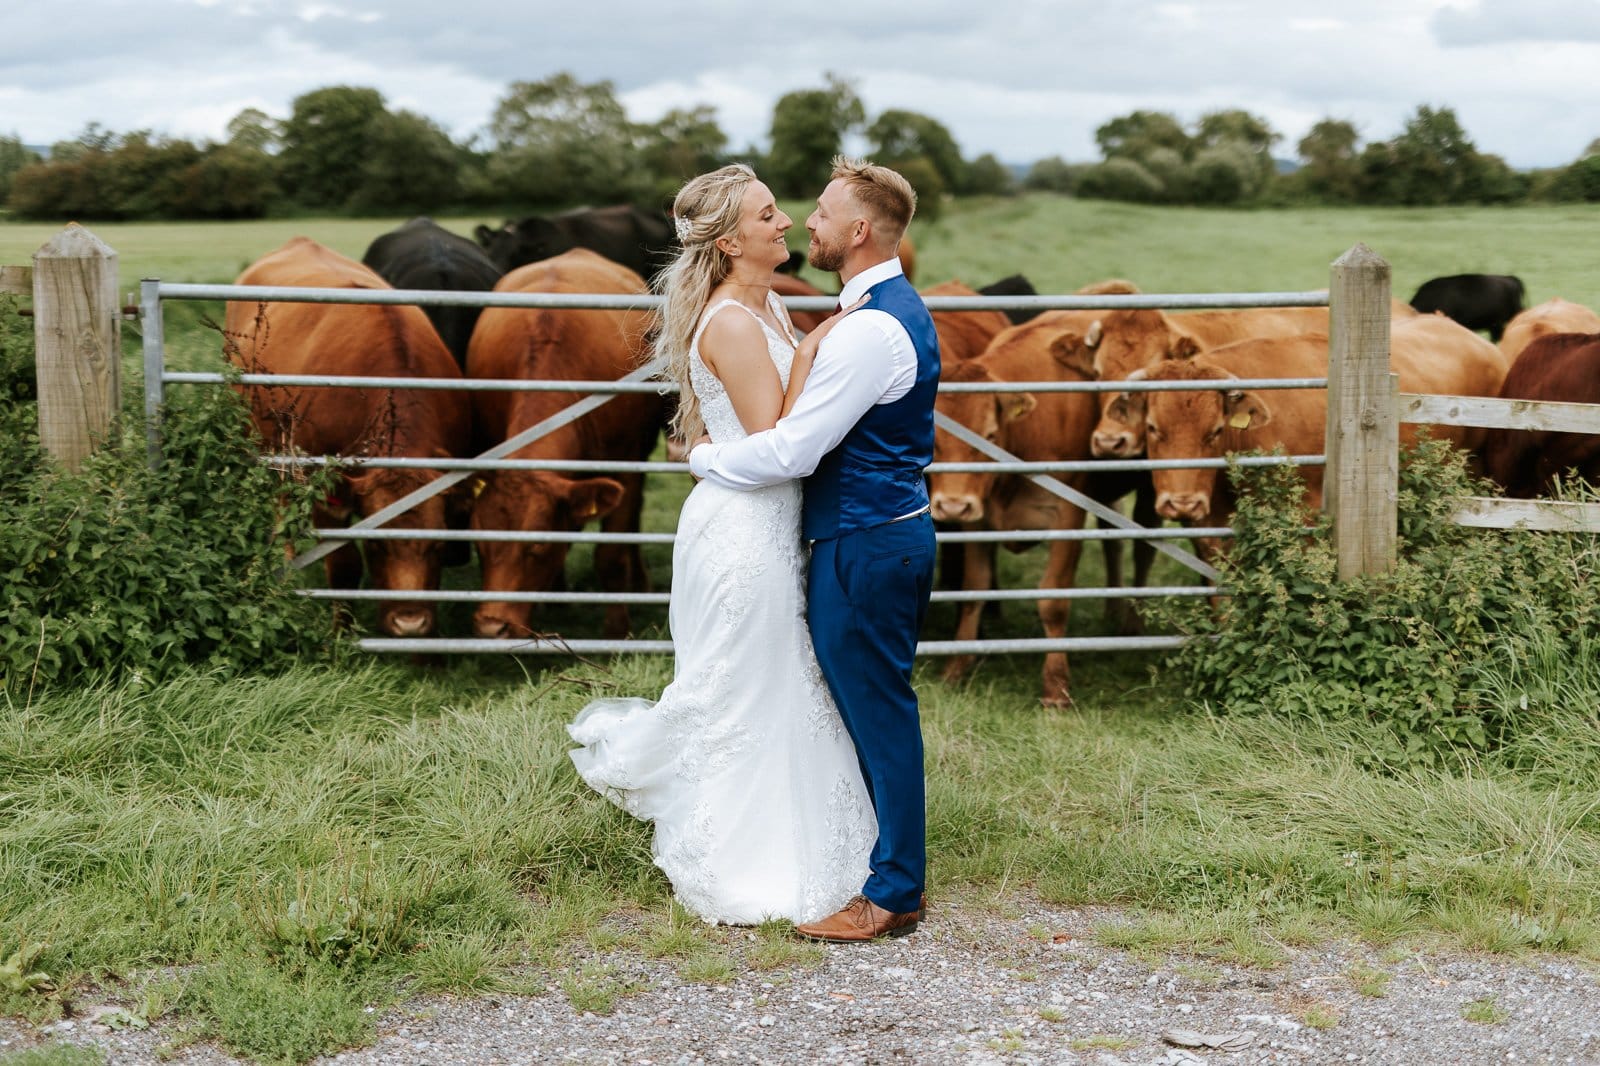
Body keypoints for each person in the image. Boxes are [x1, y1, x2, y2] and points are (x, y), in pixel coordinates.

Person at [567, 163, 876, 926]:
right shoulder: (735, 321)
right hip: (741, 531)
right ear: (733, 241)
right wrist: (818, 353)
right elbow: (777, 436)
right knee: (743, 683)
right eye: (769, 216)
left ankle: (803, 828)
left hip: (768, 519)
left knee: (776, 677)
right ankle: (740, 851)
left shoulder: (766, 302)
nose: (785, 224)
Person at [688, 157, 940, 942]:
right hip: (861, 534)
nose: (806, 222)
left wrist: (699, 458)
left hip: (864, 542)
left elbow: (792, 451)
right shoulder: (878, 311)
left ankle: (895, 889)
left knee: (880, 709)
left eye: (823, 212)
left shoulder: (868, 330)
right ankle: (880, 867)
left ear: (859, 231)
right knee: (865, 705)